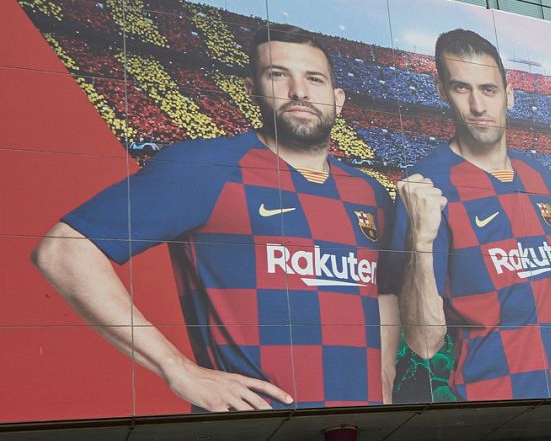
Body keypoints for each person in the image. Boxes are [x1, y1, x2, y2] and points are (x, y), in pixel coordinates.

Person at [34, 23, 399, 411]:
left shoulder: (369, 192)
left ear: (338, 98)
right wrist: (177, 369)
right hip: (252, 435)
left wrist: (384, 382)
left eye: (314, 79)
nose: (300, 92)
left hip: (357, 427)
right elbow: (63, 252)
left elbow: (384, 292)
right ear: (250, 89)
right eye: (278, 75)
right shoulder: (205, 166)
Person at [393, 29, 551, 401]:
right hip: (493, 400)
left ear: (509, 95)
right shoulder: (427, 185)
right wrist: (420, 241)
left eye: (488, 89)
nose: (478, 106)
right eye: (462, 89)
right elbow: (424, 341)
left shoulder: (539, 176)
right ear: (441, 91)